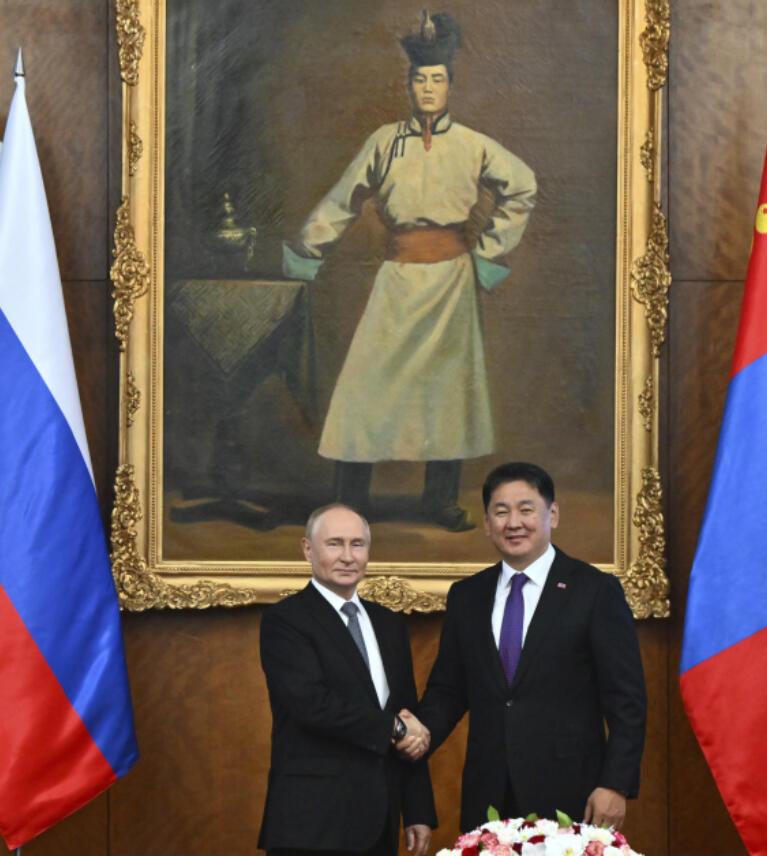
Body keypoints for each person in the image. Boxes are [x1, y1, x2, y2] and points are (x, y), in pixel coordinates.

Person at [283, 12, 537, 532]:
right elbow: (344, 200)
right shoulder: (384, 141)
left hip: (452, 283)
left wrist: (489, 254)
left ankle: (438, 501)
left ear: (451, 85)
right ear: (408, 85)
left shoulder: (472, 145)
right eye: (419, 79)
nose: (428, 88)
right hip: (397, 279)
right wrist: (307, 251)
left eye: (437, 79)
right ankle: (350, 500)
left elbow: (522, 186)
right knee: (366, 385)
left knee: (447, 391)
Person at [414, 462, 646, 831]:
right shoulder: (467, 596)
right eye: (500, 512)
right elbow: (449, 690)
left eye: (526, 509)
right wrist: (414, 731)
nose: (513, 522)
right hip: (487, 794)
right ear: (487, 523)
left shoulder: (594, 591)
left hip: (572, 794)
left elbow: (627, 702)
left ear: (552, 514)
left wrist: (614, 783)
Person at [258, 503, 437, 856]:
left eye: (357, 545)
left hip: (380, 822)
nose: (347, 556)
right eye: (334, 544)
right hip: (312, 825)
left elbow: (407, 714)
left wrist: (417, 809)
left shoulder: (388, 623)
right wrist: (395, 729)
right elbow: (311, 704)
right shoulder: (285, 620)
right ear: (308, 549)